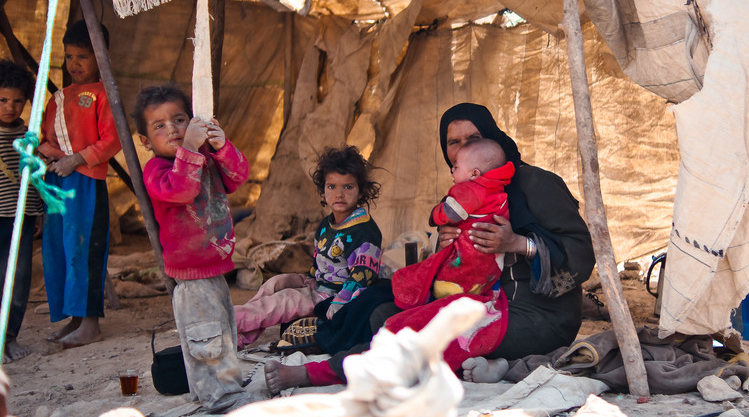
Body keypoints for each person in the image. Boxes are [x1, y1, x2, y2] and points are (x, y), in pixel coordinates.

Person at [265, 102, 595, 392]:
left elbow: (582, 253)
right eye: (454, 142)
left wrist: (519, 244)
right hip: (478, 301)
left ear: (492, 138)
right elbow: (459, 270)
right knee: (383, 312)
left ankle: (317, 373)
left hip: (537, 313)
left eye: (474, 138)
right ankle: (486, 362)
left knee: (421, 339)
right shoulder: (459, 198)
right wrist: (446, 246)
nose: (464, 146)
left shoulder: (537, 184)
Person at [133, 84, 246, 412]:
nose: (172, 130)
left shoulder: (205, 157)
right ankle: (220, 398)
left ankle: (218, 388)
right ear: (145, 142)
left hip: (216, 266)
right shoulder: (156, 170)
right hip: (192, 276)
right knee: (206, 338)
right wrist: (193, 148)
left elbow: (238, 177)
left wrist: (221, 145)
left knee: (221, 334)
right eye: (159, 126)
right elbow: (181, 190)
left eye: (180, 120)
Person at [386, 138, 515, 370]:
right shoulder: (496, 189)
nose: (452, 170)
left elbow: (450, 214)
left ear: (475, 173)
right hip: (488, 266)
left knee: (427, 283)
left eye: (456, 166)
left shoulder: (471, 189)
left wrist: (436, 213)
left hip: (470, 259)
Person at [235, 146, 382, 348]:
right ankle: (242, 334)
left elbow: (364, 275)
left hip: (334, 296)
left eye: (348, 187)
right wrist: (306, 280)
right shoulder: (325, 225)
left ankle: (230, 322)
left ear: (361, 190)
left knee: (284, 300)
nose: (339, 194)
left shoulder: (365, 231)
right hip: (316, 283)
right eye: (331, 187)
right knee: (276, 283)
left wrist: (340, 300)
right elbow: (318, 261)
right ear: (323, 189)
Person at [38, 21, 121, 348]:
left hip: (86, 185)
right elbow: (47, 138)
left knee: (85, 251)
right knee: (59, 250)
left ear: (100, 57)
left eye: (83, 57)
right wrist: (49, 155)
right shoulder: (59, 98)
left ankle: (90, 325)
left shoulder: (104, 95)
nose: (74, 64)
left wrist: (76, 159)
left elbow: (111, 140)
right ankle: (73, 319)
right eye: (69, 56)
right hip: (57, 184)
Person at [0, 61, 45, 363]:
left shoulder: (29, 136)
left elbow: (36, 177)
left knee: (18, 278)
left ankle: (10, 337)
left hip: (21, 219)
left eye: (18, 101)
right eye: (3, 100)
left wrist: (39, 211)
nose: (10, 107)